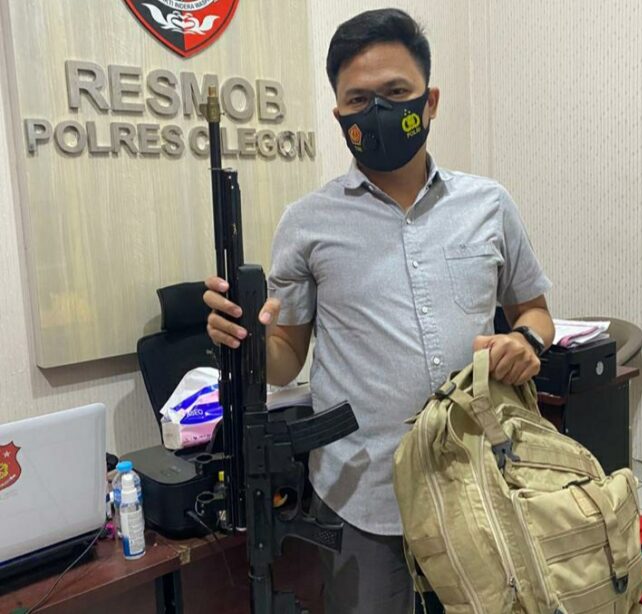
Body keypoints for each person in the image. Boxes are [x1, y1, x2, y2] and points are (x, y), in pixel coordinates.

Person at [204, 8, 554, 613]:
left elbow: (536, 310)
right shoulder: (307, 223)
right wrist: (243, 337)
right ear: (339, 115)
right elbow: (285, 361)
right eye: (359, 100)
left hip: (476, 477)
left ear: (430, 101)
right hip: (362, 493)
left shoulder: (489, 205)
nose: (378, 111)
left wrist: (526, 342)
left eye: (396, 93)